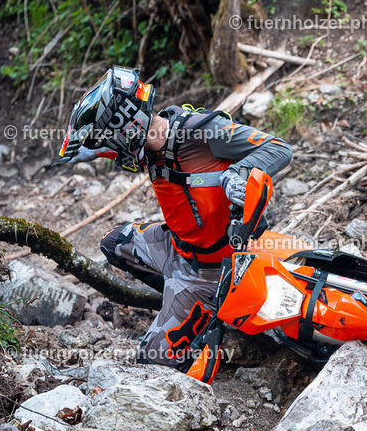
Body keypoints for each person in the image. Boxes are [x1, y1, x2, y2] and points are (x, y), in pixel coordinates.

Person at [57, 65, 292, 379]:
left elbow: (278, 147)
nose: (113, 149)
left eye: (112, 139)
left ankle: (205, 311)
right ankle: (175, 297)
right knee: (114, 244)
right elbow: (95, 150)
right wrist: (81, 141)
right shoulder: (146, 146)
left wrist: (239, 173)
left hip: (212, 267)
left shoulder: (202, 131)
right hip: (175, 246)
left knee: (151, 365)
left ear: (127, 127)